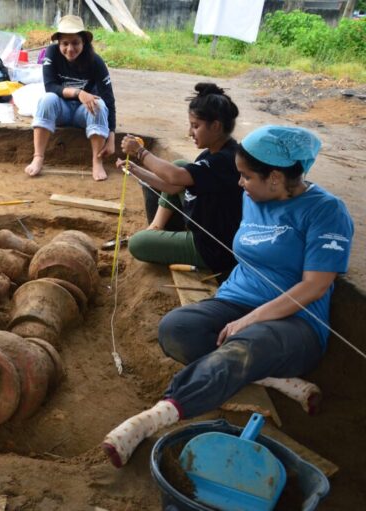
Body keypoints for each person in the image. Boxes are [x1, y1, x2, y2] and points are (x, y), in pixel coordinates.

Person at [101, 125, 353, 468]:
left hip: (295, 323)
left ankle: (157, 416)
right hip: (236, 300)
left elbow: (314, 286)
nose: (240, 185)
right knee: (175, 329)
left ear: (276, 178)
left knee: (245, 345)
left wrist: (250, 320)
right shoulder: (254, 197)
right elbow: (178, 182)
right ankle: (270, 376)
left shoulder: (326, 211)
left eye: (246, 177)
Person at [117, 83, 242, 277]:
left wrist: (140, 152)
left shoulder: (224, 161)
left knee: (138, 244)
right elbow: (172, 186)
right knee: (179, 164)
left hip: (211, 248)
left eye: (195, 126)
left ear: (216, 126)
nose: (190, 132)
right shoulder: (214, 153)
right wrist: (135, 170)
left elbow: (174, 177)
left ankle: (162, 238)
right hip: (206, 225)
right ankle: (156, 226)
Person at [24, 15, 117, 181]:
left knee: (99, 104)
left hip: (84, 113)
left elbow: (109, 99)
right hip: (62, 110)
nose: (70, 48)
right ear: (58, 43)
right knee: (47, 99)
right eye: (65, 44)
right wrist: (79, 93)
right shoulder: (51, 53)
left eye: (75, 43)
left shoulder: (96, 61)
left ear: (84, 43)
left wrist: (111, 137)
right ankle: (38, 157)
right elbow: (50, 86)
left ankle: (97, 161)